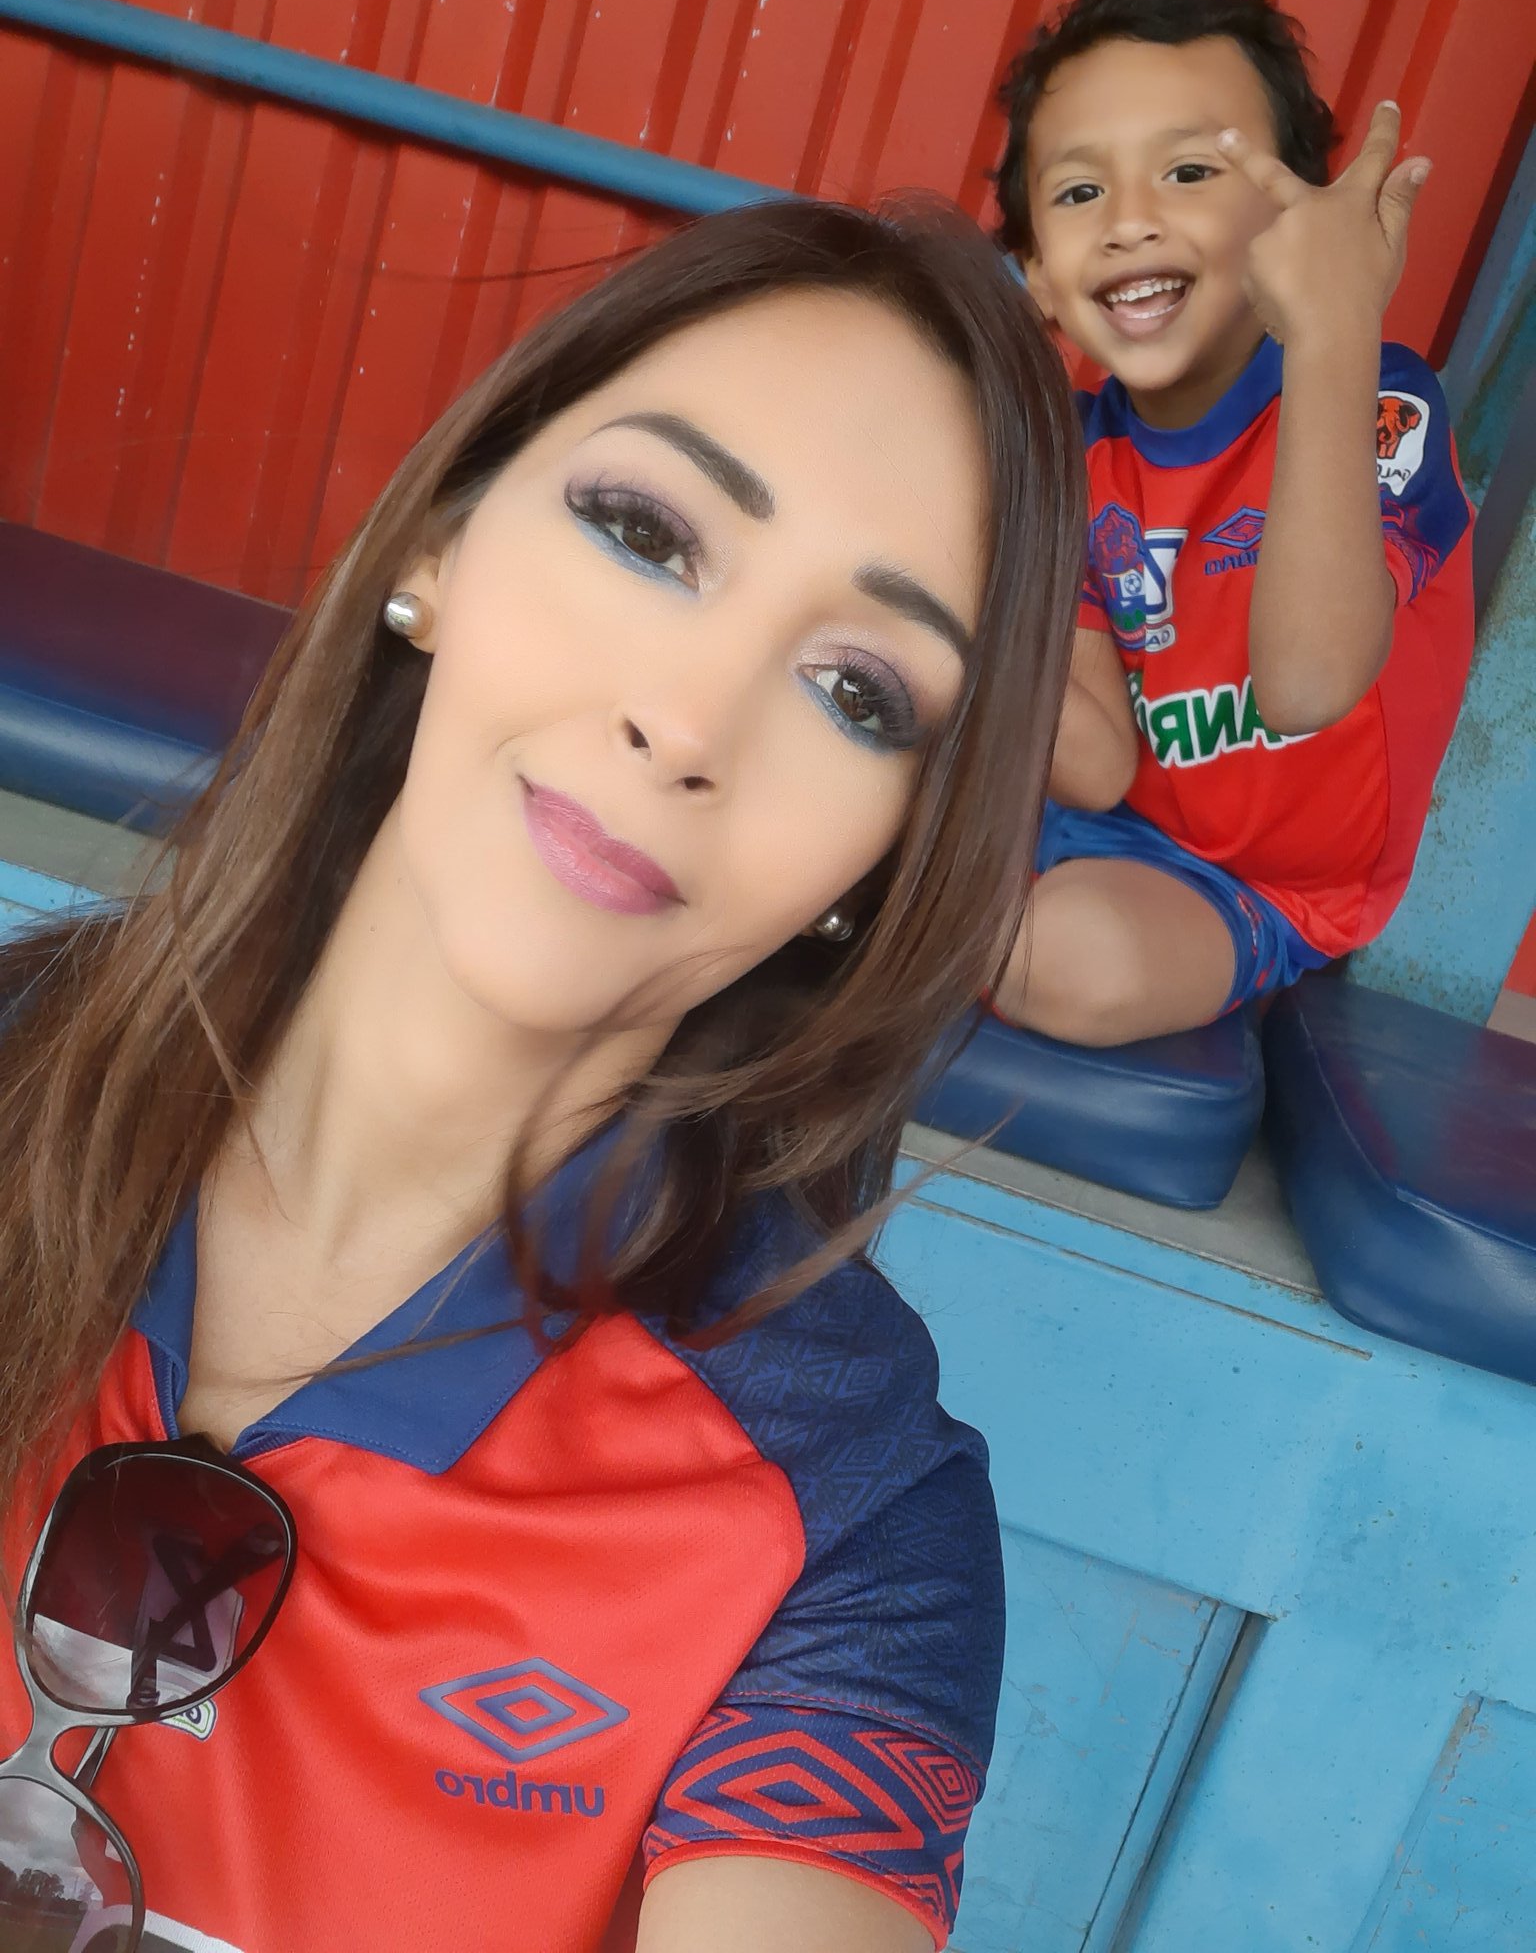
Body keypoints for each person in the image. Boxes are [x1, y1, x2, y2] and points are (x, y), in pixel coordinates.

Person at [0, 198, 1084, 1952]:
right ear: (440, 541)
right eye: (650, 533)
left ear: (882, 861)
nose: (689, 721)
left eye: (859, 691)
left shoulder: (838, 1507)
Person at [989, 0, 1474, 1045]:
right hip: (1073, 820)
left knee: (1068, 959)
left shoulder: (1379, 401)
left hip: (1250, 889)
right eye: (1079, 193)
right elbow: (1095, 765)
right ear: (1038, 274)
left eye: (1189, 171)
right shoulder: (1070, 451)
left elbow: (1305, 686)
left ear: (1292, 224)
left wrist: (1334, 321)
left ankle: (899, 925)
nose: (1130, 222)